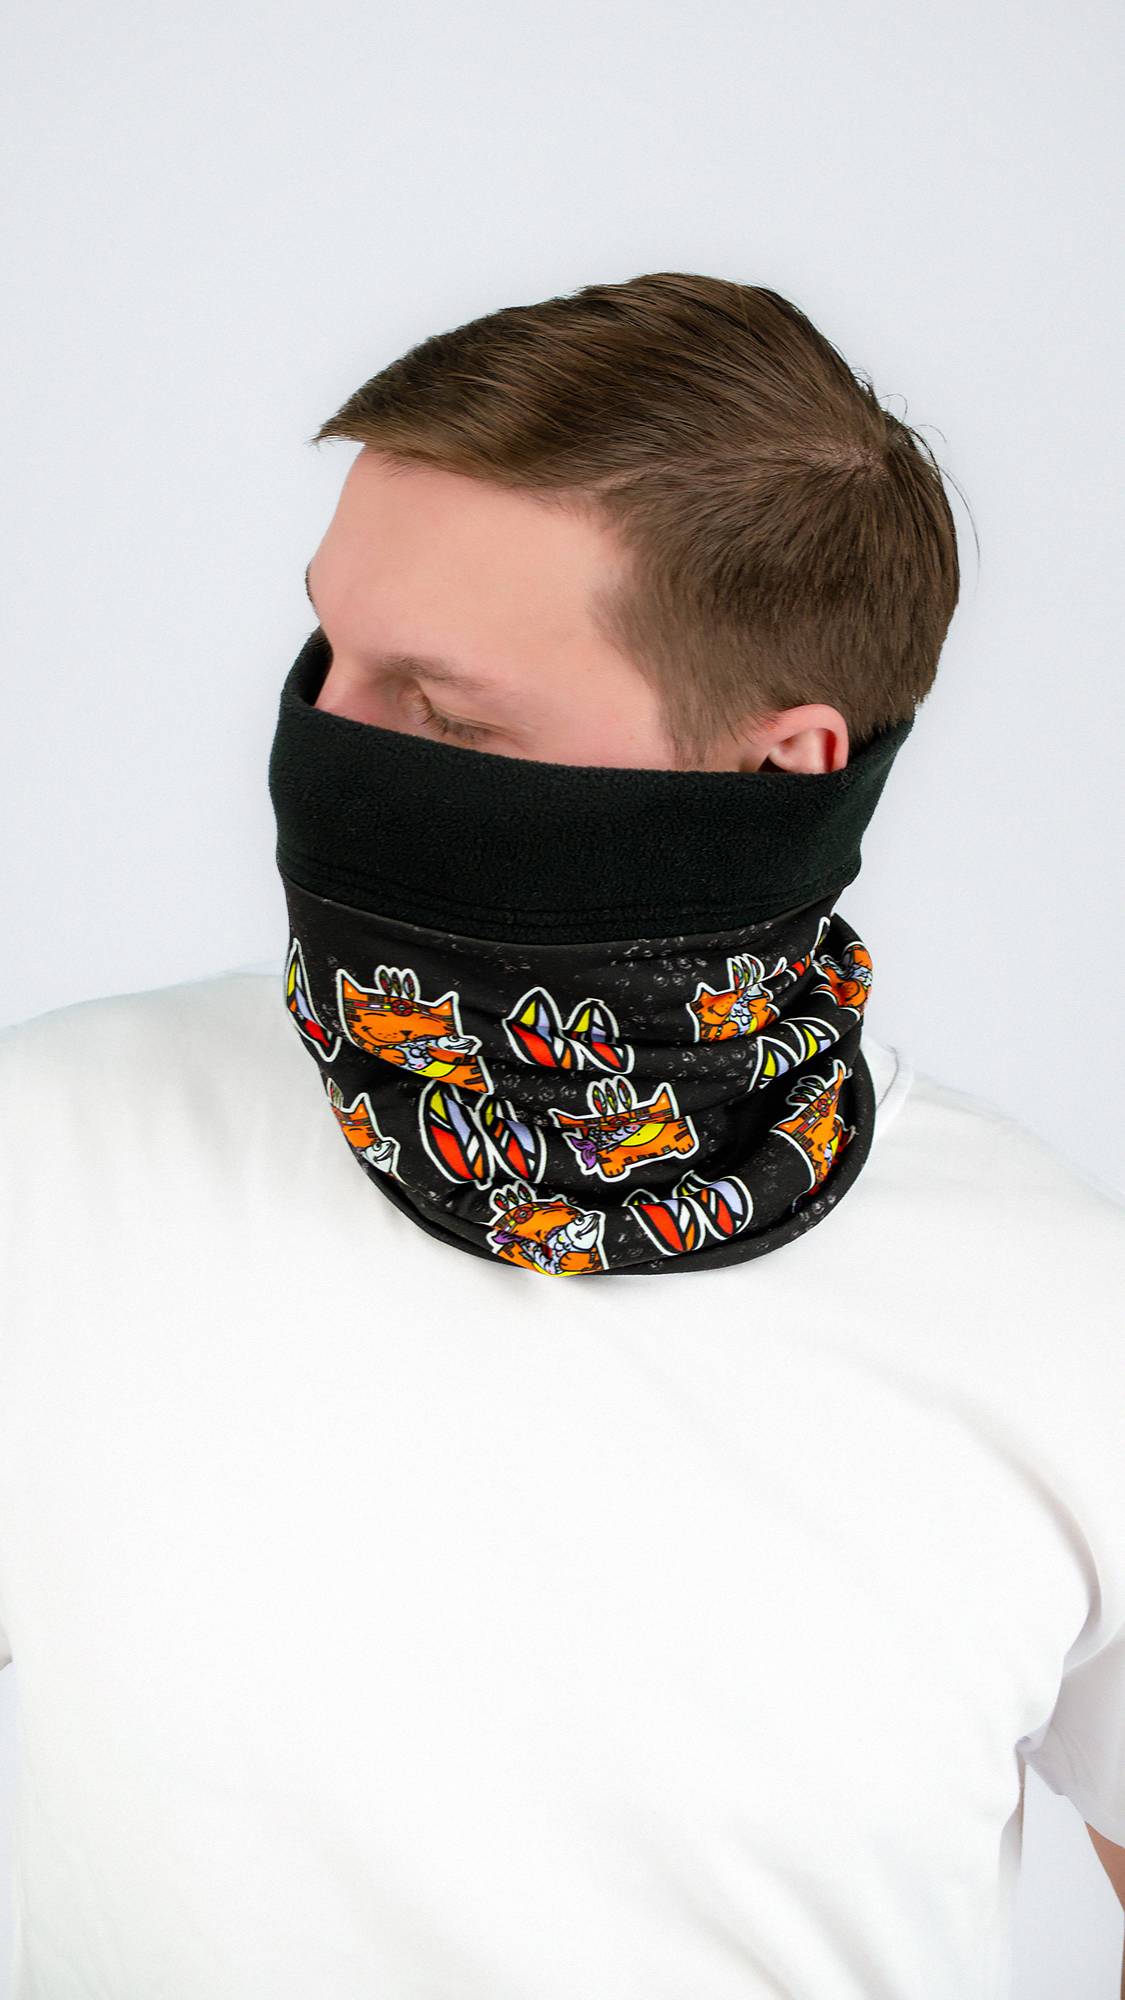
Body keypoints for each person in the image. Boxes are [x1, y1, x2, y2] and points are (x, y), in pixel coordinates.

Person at [1, 272, 1123, 1998]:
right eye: (326, 656)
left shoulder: (1070, 1322)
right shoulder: (49, 1156)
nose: (319, 752)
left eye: (443, 717)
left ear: (778, 770)